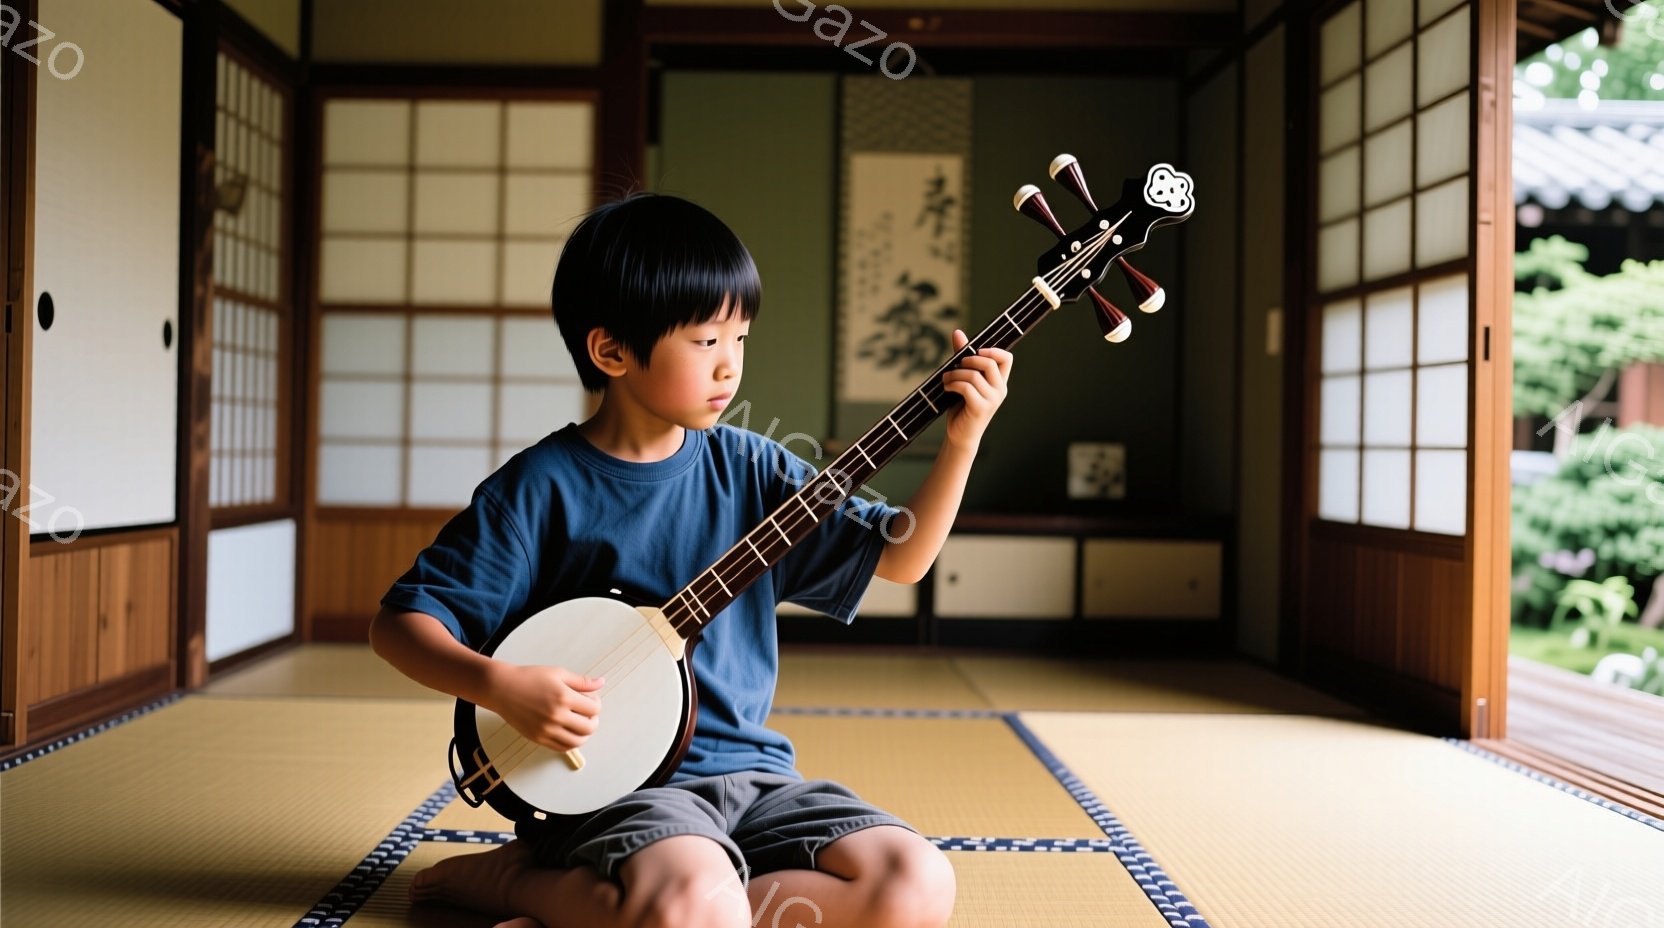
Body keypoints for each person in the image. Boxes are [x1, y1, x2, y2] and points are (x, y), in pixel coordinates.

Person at [370, 192, 1012, 928]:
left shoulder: (756, 470)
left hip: (755, 777)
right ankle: (519, 881)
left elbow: (901, 561)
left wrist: (962, 440)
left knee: (915, 885)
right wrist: (501, 685)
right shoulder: (539, 490)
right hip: (619, 790)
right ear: (611, 351)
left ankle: (638, 911)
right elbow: (399, 626)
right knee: (695, 900)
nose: (729, 367)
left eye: (740, 338)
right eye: (706, 341)